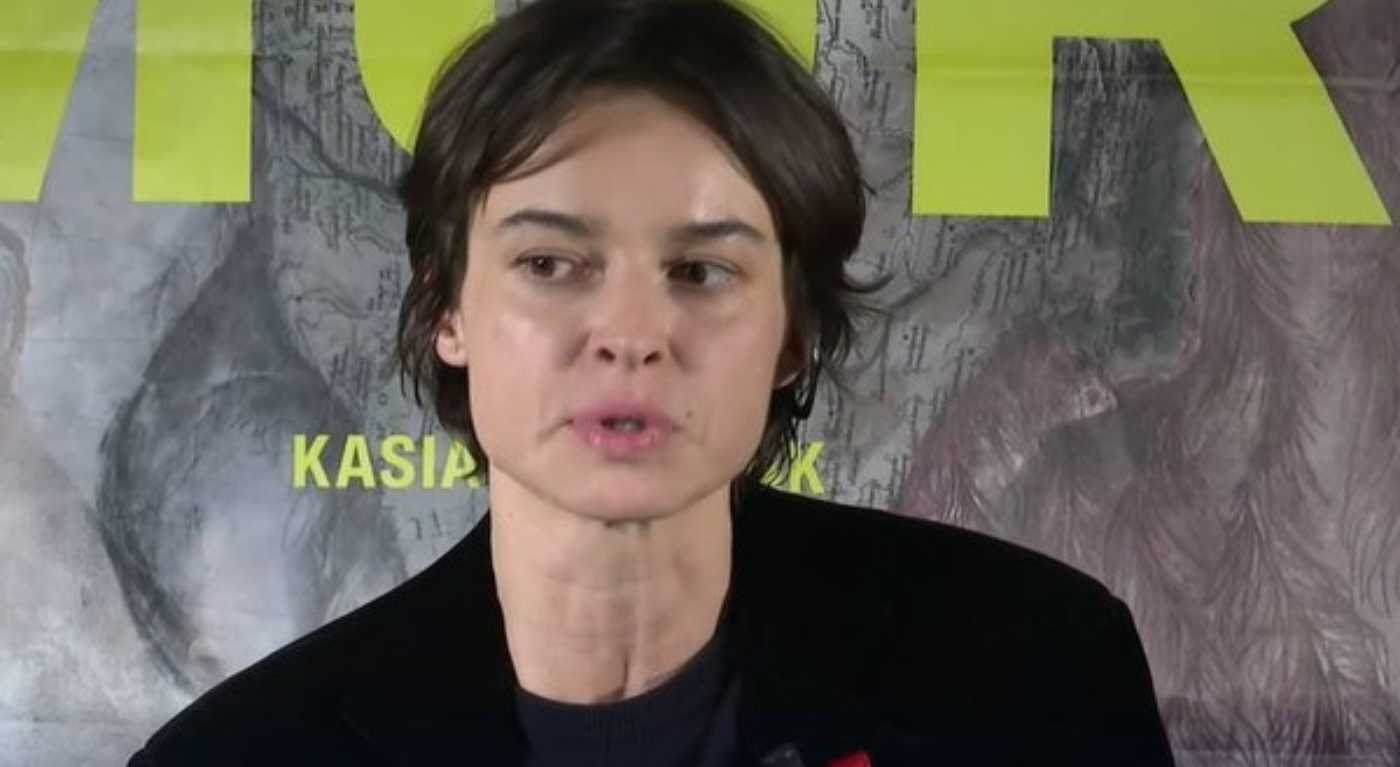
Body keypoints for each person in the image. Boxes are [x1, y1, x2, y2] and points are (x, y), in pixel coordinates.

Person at [127, 0, 1176, 764]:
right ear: (447, 309)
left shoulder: (1036, 673)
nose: (631, 336)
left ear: (793, 331)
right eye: (550, 263)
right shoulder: (242, 755)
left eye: (701, 271)